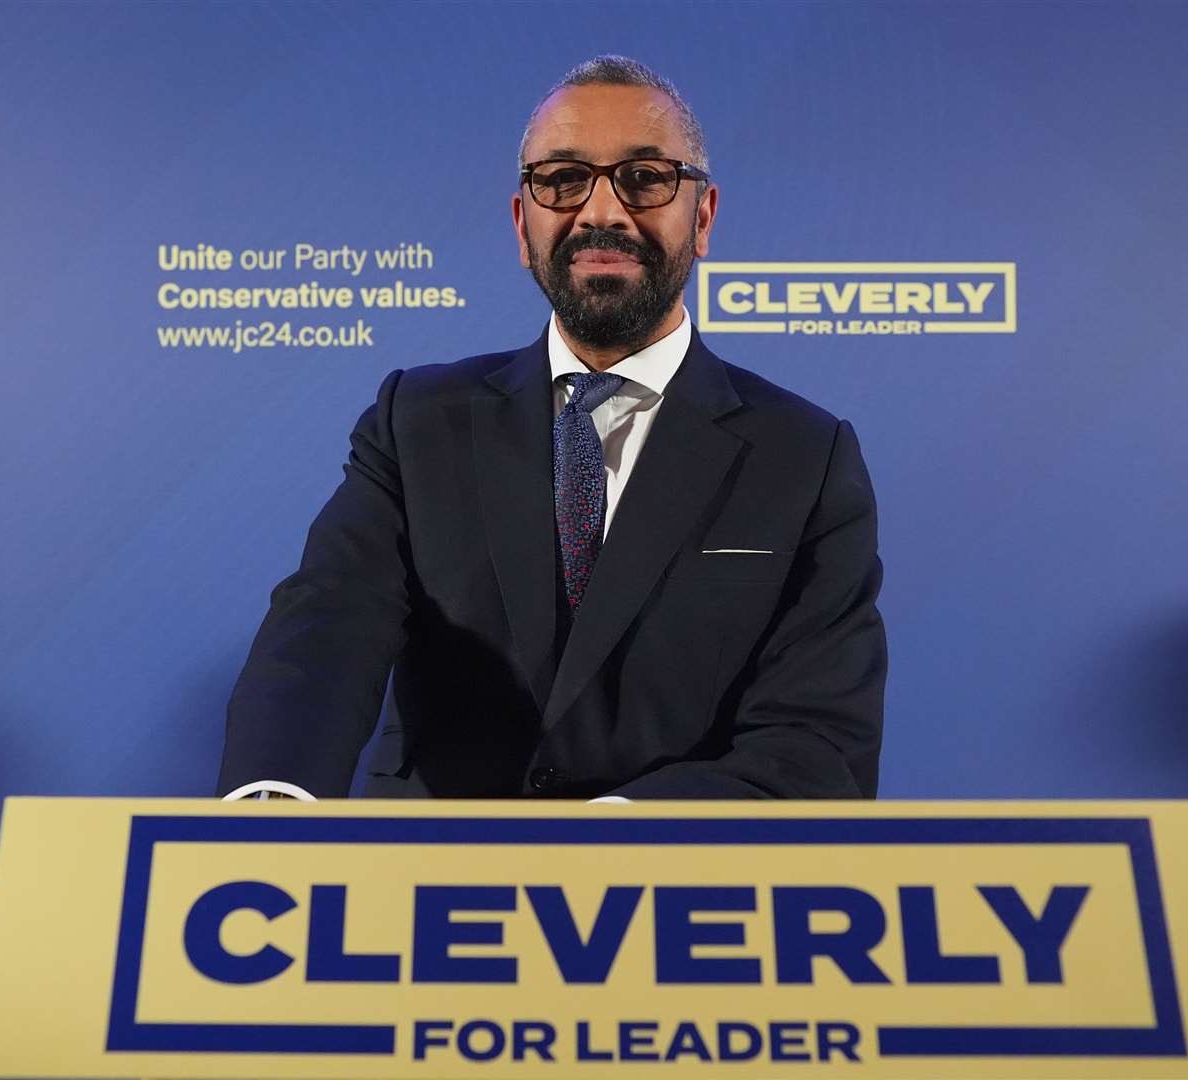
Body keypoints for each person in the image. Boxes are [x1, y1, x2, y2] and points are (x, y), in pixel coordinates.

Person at [216, 55, 886, 801]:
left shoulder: (804, 458)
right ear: (521, 223)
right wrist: (267, 815)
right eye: (562, 178)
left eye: (646, 176)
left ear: (702, 217)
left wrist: (606, 844)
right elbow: (326, 629)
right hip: (424, 892)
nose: (601, 212)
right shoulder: (417, 423)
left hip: (671, 897)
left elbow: (813, 743)